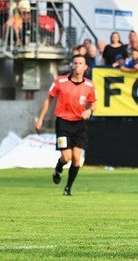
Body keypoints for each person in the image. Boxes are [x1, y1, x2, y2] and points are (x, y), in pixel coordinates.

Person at [34, 55, 95, 196]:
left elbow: (94, 103)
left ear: (86, 67)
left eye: (81, 63)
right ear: (72, 65)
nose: (78, 65)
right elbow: (49, 100)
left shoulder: (89, 85)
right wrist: (40, 119)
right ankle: (58, 167)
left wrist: (89, 110)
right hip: (63, 123)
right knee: (66, 157)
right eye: (75, 63)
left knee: (76, 158)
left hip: (80, 124)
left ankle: (68, 188)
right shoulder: (60, 81)